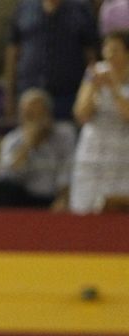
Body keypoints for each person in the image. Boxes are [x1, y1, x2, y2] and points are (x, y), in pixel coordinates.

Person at [7, 0, 100, 122]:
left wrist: (90, 93)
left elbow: (91, 56)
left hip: (69, 94)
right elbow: (12, 52)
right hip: (29, 93)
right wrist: (9, 94)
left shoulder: (81, 9)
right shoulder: (25, 8)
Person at [70, 29, 129, 212]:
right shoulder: (94, 73)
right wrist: (94, 88)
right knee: (86, 210)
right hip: (92, 152)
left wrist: (113, 88)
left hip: (122, 155)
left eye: (116, 50)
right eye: (107, 49)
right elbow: (81, 114)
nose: (110, 54)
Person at [0, 87, 75, 207]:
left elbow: (68, 168)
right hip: (25, 197)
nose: (36, 121)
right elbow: (7, 175)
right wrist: (28, 144)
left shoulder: (65, 134)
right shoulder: (12, 140)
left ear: (49, 114)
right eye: (30, 116)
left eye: (39, 114)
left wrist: (63, 197)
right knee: (1, 187)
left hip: (53, 196)